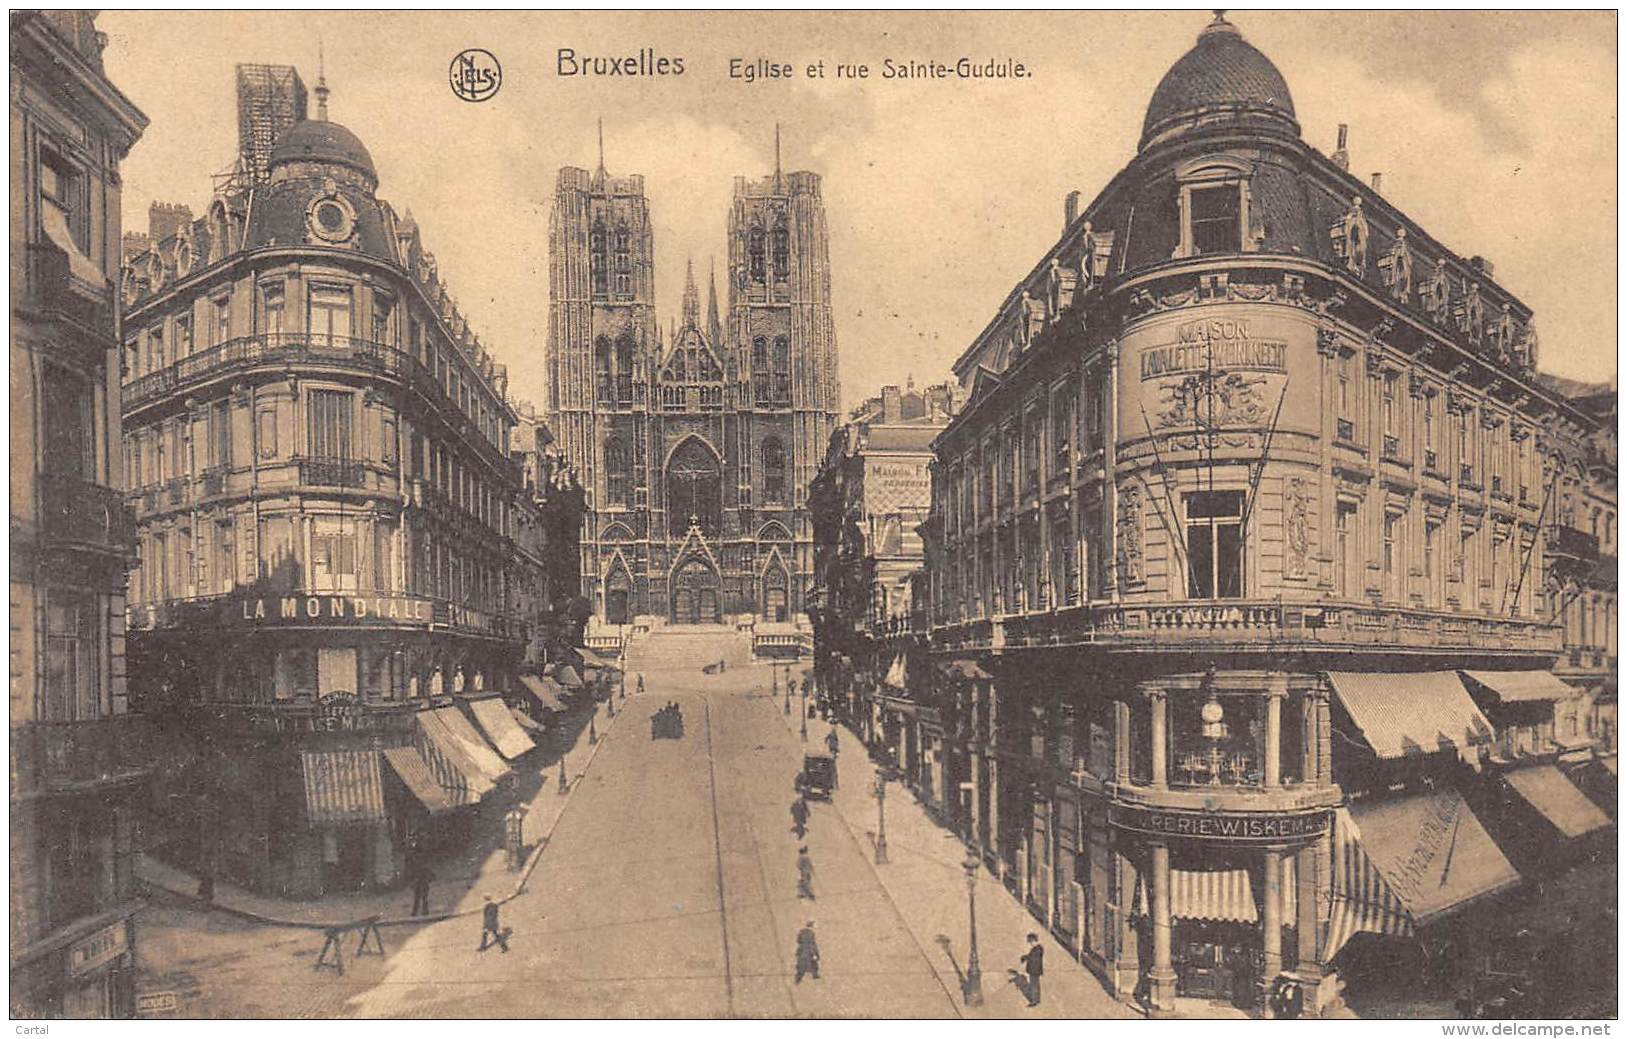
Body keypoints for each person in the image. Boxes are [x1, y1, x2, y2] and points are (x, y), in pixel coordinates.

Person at [1020, 933, 1044, 1007]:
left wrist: (1025, 958)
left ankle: (1034, 1001)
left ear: (1034, 941)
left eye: (1031, 942)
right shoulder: (1038, 948)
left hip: (1034, 970)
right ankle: (1037, 999)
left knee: (1033, 985)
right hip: (1036, 970)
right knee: (1036, 985)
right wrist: (1025, 957)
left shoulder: (1037, 950)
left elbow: (1032, 958)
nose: (1030, 944)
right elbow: (1031, 956)